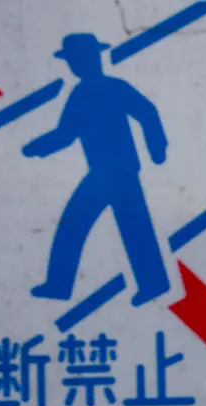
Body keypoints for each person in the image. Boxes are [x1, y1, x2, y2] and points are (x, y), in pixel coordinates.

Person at [22, 33, 171, 307]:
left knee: (83, 225)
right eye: (72, 61)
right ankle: (153, 283)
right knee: (127, 226)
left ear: (92, 58)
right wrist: (37, 147)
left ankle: (60, 285)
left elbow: (147, 112)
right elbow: (66, 134)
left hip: (116, 173)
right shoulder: (81, 95)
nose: (75, 65)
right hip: (110, 173)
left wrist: (157, 148)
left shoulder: (111, 88)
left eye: (78, 59)